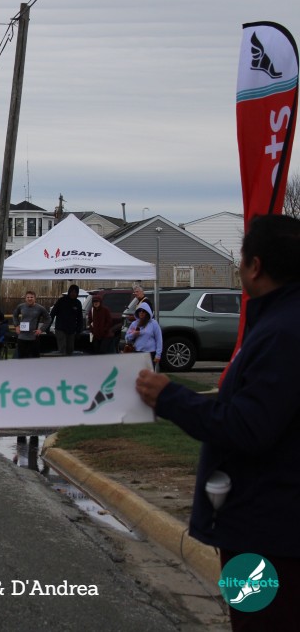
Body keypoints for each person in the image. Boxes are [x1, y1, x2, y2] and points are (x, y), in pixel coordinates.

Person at [135, 214, 300, 630]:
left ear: (254, 266)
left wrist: (169, 397)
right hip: (270, 522)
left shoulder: (282, 332)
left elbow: (249, 426)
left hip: (264, 530)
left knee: (258, 622)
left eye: (240, 259)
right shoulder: (280, 321)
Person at [12, 291, 49, 359]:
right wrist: (16, 326)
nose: (29, 299)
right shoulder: (21, 306)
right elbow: (14, 315)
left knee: (34, 359)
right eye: (28, 297)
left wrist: (41, 329)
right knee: (22, 359)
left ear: (35, 298)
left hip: (33, 337)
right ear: (25, 298)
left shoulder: (40, 308)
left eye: (31, 297)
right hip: (22, 337)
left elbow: (48, 319)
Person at [49, 284, 84, 355]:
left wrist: (78, 331)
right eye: (72, 292)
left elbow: (80, 318)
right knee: (63, 349)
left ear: (77, 293)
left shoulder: (78, 303)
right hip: (60, 328)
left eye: (75, 292)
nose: (73, 293)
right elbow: (52, 314)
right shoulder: (61, 301)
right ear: (69, 292)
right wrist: (48, 327)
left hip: (71, 330)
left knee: (70, 349)